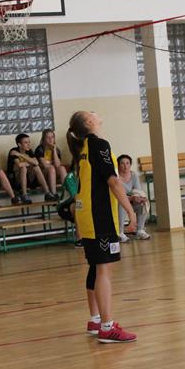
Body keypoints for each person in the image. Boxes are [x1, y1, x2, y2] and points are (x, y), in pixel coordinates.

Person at [67, 110, 138, 344]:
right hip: (100, 216)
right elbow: (114, 181)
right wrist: (130, 210)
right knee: (104, 270)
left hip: (87, 215)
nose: (96, 114)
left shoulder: (83, 148)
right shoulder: (99, 145)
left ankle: (96, 320)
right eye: (91, 113)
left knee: (95, 267)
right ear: (89, 122)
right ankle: (107, 327)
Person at [7, 133, 55, 204]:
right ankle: (24, 194)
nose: (28, 144)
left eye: (29, 142)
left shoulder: (29, 151)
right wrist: (30, 162)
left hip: (29, 180)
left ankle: (47, 193)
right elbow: (19, 164)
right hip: (16, 182)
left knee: (36, 167)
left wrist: (21, 155)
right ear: (19, 144)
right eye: (26, 142)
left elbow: (36, 163)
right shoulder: (13, 151)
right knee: (23, 168)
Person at [116, 155, 150, 241]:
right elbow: (118, 195)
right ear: (118, 165)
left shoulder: (133, 175)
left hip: (131, 201)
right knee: (122, 203)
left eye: (127, 163)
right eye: (122, 163)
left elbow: (137, 191)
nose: (125, 166)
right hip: (119, 202)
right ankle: (120, 232)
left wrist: (140, 198)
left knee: (143, 203)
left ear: (130, 165)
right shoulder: (115, 177)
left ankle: (140, 230)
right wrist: (131, 198)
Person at [35, 129, 68, 200]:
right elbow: (45, 166)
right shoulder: (40, 149)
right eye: (48, 137)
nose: (50, 139)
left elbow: (58, 165)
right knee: (51, 168)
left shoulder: (56, 149)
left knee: (62, 168)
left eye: (52, 137)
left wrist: (54, 150)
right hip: (43, 175)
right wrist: (51, 164)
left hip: (54, 173)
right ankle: (54, 194)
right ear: (44, 139)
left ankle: (66, 193)